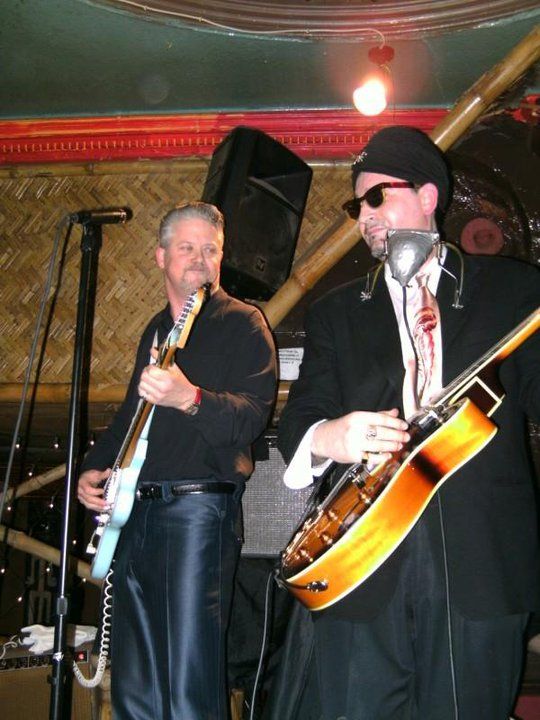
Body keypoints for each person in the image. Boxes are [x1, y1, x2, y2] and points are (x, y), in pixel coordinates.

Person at [276, 126, 540, 719]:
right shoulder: (336, 312)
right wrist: (333, 436)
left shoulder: (515, 291)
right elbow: (300, 421)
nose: (364, 216)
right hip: (362, 568)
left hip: (481, 562)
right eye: (356, 206)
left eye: (377, 196)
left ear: (428, 195)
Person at [77, 201, 277, 719]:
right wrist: (92, 468)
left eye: (211, 250)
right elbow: (130, 418)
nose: (201, 259)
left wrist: (189, 398)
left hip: (197, 514)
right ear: (161, 256)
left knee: (189, 680)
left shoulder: (244, 323)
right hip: (136, 513)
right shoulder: (154, 331)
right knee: (136, 681)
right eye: (187, 248)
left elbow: (252, 419)